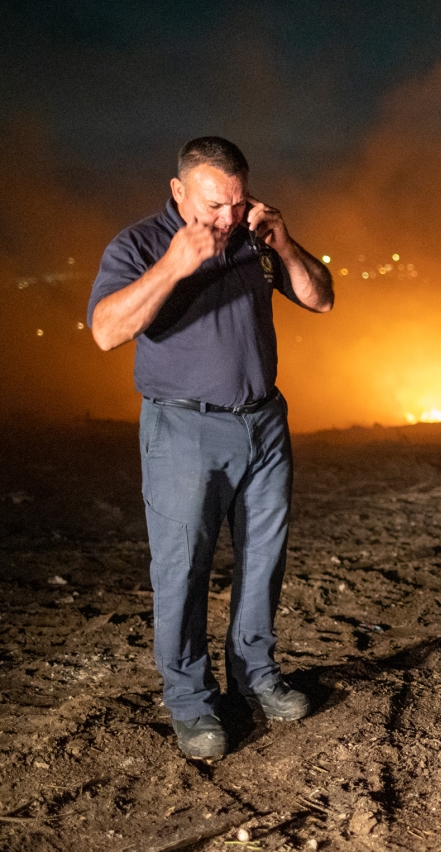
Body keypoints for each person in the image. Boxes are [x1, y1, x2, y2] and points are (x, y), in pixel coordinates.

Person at [87, 137, 334, 759]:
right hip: (184, 430)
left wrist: (282, 242)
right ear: (178, 193)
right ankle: (192, 703)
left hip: (263, 423)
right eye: (213, 204)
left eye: (237, 200)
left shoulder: (253, 237)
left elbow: (321, 297)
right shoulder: (140, 245)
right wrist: (175, 263)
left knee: (263, 558)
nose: (227, 217)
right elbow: (106, 331)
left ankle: (254, 678)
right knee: (183, 568)